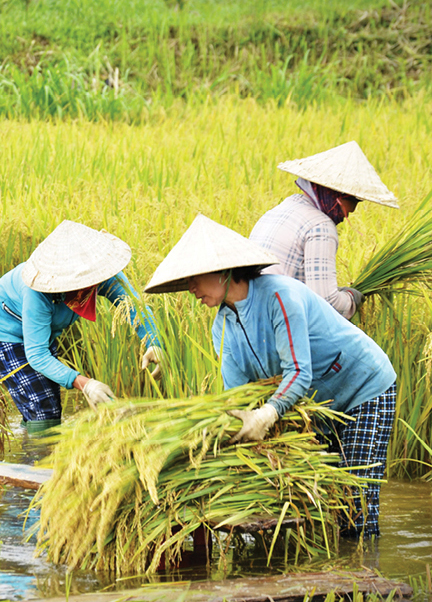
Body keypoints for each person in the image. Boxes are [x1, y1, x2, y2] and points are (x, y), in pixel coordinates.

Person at [144, 214, 396, 538]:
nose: (191, 288)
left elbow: (298, 372)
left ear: (224, 271)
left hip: (364, 388)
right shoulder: (221, 325)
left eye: (195, 278)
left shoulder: (279, 297)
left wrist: (266, 415)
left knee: (355, 499)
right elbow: (236, 395)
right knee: (324, 498)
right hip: (321, 404)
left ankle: (364, 578)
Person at [0, 221, 163, 433]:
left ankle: (32, 441)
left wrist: (153, 342)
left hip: (39, 331)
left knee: (48, 398)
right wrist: (87, 384)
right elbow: (37, 354)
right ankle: (37, 459)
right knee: (43, 407)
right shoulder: (38, 290)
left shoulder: (102, 272)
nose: (85, 285)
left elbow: (134, 307)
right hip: (4, 329)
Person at [248, 141, 398, 320]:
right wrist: (352, 299)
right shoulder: (320, 226)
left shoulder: (282, 208)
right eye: (355, 201)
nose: (353, 210)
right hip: (277, 323)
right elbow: (326, 303)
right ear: (338, 197)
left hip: (250, 317)